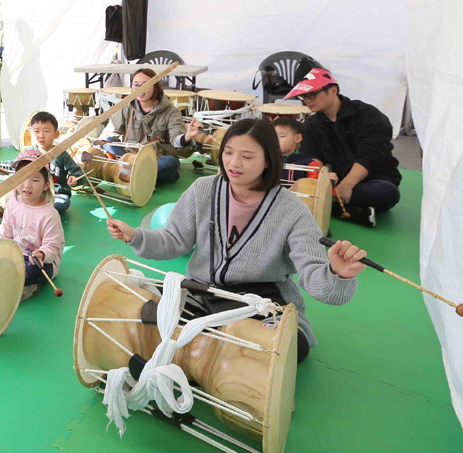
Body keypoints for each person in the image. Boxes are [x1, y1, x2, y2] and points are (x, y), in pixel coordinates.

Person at [107, 118, 368, 363]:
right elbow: (174, 239)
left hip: (262, 303)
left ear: (268, 160)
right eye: (229, 152)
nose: (234, 163)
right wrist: (135, 236)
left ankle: (187, 356)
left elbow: (313, 272)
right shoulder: (203, 189)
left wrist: (337, 273)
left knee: (288, 347)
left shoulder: (292, 210)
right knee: (142, 309)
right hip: (202, 292)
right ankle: (201, 355)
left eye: (247, 156)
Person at [285, 68, 401, 227]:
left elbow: (370, 155)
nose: (307, 101)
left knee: (387, 193)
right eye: (303, 96)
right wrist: (322, 179)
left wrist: (346, 186)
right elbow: (312, 157)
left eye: (312, 95)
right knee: (298, 183)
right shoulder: (311, 125)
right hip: (334, 181)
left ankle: (327, 206)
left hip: (373, 180)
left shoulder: (368, 115)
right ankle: (353, 212)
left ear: (333, 90)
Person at [106, 67, 202, 185]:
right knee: (108, 142)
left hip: (156, 159)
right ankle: (141, 177)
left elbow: (176, 139)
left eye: (145, 85)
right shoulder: (127, 107)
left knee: (170, 163)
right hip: (131, 157)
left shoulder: (172, 111)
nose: (140, 89)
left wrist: (187, 136)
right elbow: (112, 133)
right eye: (136, 85)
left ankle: (127, 174)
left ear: (155, 87)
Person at [0, 148, 64, 300]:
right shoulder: (12, 203)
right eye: (22, 177)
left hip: (41, 261)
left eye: (35, 180)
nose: (27, 185)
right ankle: (14, 279)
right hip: (16, 254)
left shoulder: (50, 214)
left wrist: (41, 254)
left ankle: (25, 283)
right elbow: (5, 233)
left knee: (32, 270)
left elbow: (52, 245)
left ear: (46, 185)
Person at [26, 111, 84, 214]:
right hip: (34, 193)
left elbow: (78, 173)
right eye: (36, 131)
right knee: (13, 198)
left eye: (46, 131)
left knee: (60, 203)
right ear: (30, 133)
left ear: (56, 134)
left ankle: (36, 211)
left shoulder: (62, 155)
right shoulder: (28, 154)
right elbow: (15, 166)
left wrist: (74, 178)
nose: (41, 136)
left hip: (57, 194)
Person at [273, 115, 322, 184]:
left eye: (282, 136)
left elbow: (312, 185)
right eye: (272, 136)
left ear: (297, 138)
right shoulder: (266, 161)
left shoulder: (309, 164)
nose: (276, 140)